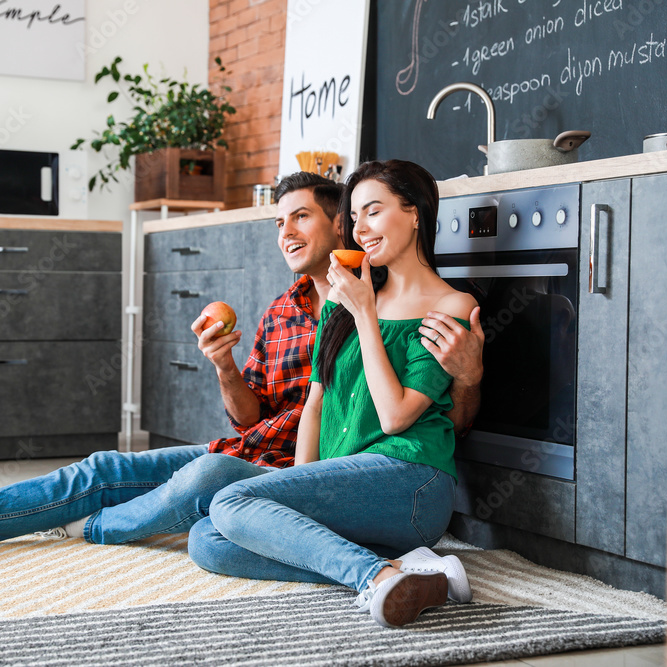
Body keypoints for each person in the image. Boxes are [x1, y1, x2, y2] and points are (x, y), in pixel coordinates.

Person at [0, 171, 484, 562]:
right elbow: (253, 412)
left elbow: (428, 422)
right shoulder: (288, 309)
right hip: (251, 451)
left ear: (343, 227)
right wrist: (225, 366)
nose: (286, 232)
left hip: (297, 477)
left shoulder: (384, 303)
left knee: (138, 494)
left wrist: (470, 373)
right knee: (103, 469)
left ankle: (29, 520)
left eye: (302, 218)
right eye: (279, 222)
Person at [187, 160, 477, 629]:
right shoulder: (341, 307)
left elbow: (395, 417)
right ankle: (413, 571)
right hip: (350, 481)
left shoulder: (450, 306)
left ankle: (375, 575)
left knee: (228, 502)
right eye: (354, 217)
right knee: (207, 540)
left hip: (412, 481)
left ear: (416, 212)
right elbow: (315, 407)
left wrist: (365, 313)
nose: (360, 229)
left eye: (374, 211)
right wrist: (292, 490)